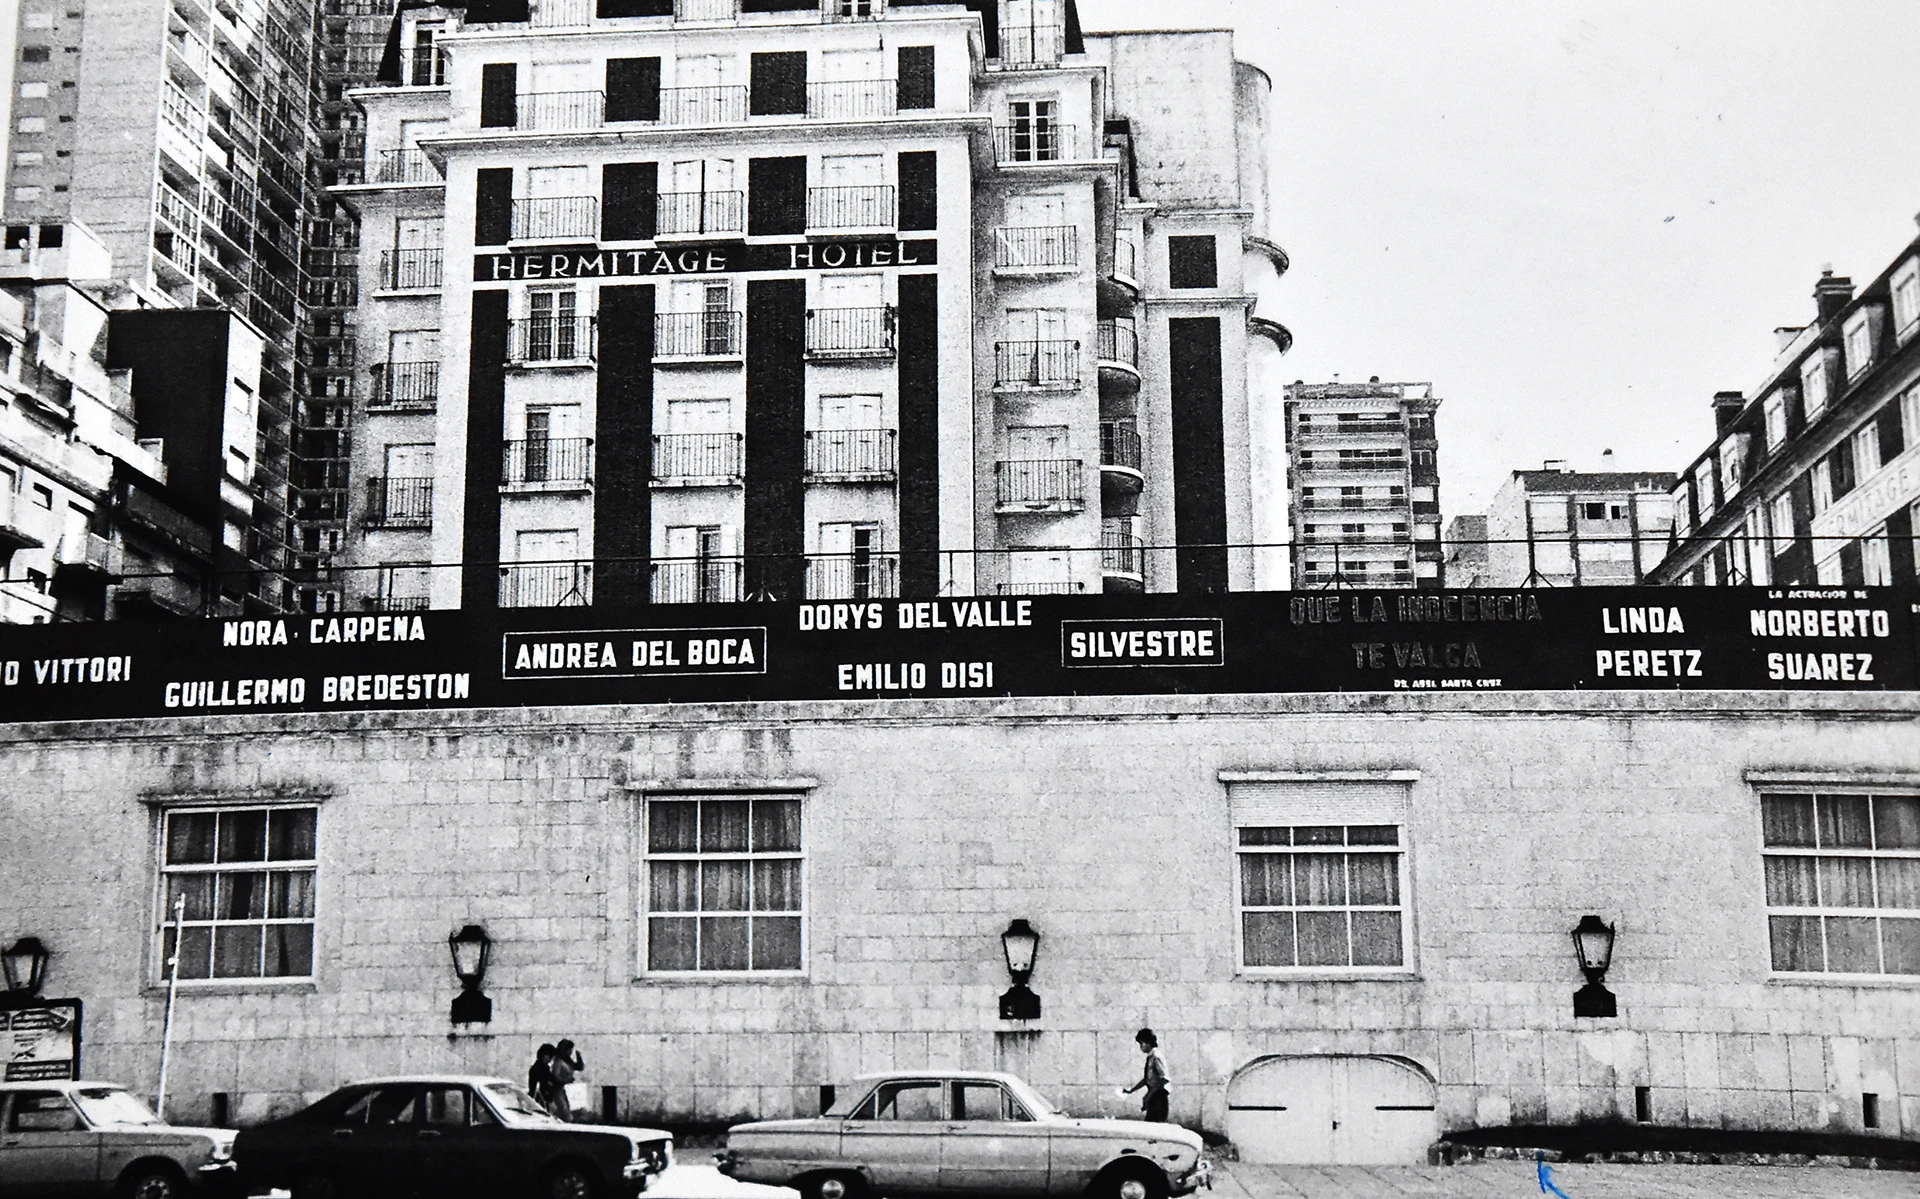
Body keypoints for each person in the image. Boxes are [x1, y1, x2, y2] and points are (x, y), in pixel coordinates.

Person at [1118, 1027, 1169, 1122]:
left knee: (1155, 1126)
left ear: (1148, 1043)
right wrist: (1131, 1090)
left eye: (1142, 1043)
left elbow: (1164, 1079)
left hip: (1159, 1097)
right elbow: (1147, 1079)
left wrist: (1148, 1095)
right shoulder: (1150, 1057)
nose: (1141, 1047)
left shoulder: (1156, 1057)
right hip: (1154, 1096)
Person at [551, 1038, 586, 1121]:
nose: (570, 1052)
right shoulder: (558, 1061)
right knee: (565, 1112)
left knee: (566, 1111)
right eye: (569, 1050)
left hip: (564, 1089)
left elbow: (579, 1067)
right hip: (557, 1090)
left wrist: (579, 1057)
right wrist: (566, 1080)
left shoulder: (568, 1061)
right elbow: (555, 1076)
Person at [529, 1044, 561, 1118]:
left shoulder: (543, 1067)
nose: (550, 1060)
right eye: (550, 1057)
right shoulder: (539, 1068)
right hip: (542, 1100)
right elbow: (539, 1086)